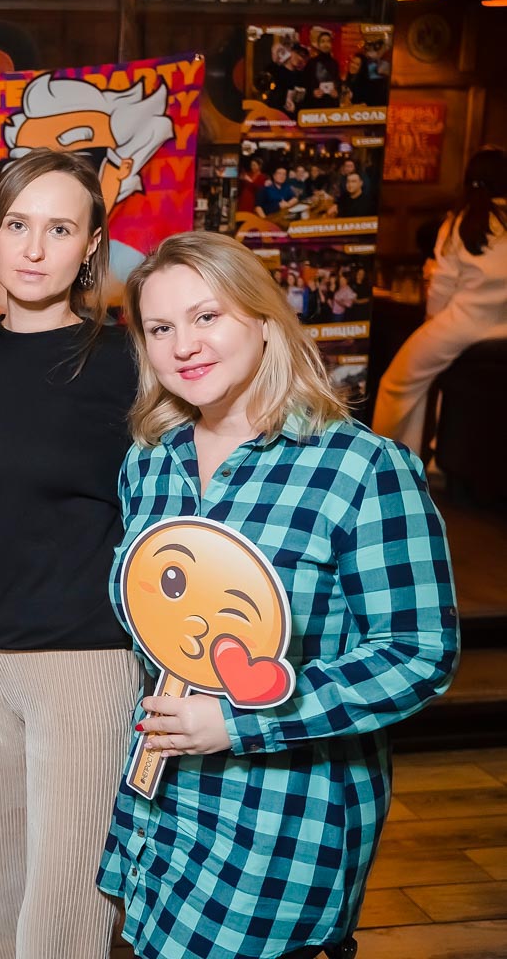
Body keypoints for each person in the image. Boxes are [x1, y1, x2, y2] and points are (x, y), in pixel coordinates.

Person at [100, 230, 459, 959]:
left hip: (280, 818)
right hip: (159, 804)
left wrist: (239, 720)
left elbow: (418, 653)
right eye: (160, 329)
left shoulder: (359, 468)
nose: (184, 346)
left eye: (207, 317)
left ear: (264, 320)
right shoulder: (152, 463)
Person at [0, 149, 141, 959]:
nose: (33, 249)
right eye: (17, 225)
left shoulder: (129, 362)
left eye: (60, 229)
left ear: (91, 245)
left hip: (83, 660)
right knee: (2, 895)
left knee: (63, 915)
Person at [374, 147, 507, 453]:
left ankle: (391, 457)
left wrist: (431, 320)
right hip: (502, 329)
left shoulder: (462, 220)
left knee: (396, 384)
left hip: (464, 324)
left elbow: (442, 285)